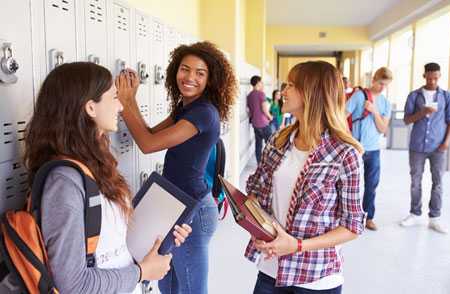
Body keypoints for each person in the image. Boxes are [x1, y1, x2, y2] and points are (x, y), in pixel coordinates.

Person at [23, 62, 191, 293]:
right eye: (114, 97)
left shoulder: (95, 164)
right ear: (91, 107)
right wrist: (142, 272)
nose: (121, 106)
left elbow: (111, 243)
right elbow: (73, 285)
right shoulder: (64, 182)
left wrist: (161, 237)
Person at [116, 41, 237, 294]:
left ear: (210, 79)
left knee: (192, 289)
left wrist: (126, 101)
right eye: (185, 69)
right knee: (168, 285)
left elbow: (148, 145)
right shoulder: (187, 108)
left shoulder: (203, 113)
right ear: (175, 71)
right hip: (175, 207)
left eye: (200, 73)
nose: (190, 77)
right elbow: (149, 133)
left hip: (193, 213)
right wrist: (130, 100)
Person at [245, 61, 365, 294]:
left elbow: (352, 226)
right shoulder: (278, 141)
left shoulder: (345, 155)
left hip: (315, 279)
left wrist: (297, 245)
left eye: (291, 85)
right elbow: (256, 194)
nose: (283, 91)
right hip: (271, 272)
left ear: (312, 93)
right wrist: (258, 229)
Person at [400, 62, 450, 234]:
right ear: (424, 76)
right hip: (417, 146)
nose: (432, 81)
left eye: (436, 78)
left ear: (439, 76)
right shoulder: (414, 96)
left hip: (438, 146)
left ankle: (435, 218)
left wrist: (446, 142)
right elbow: (407, 120)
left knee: (438, 182)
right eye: (429, 77)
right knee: (415, 181)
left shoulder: (447, 97)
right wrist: (422, 113)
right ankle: (415, 213)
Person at [346, 67, 393, 231]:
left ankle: (368, 217)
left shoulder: (386, 104)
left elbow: (382, 129)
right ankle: (347, 216)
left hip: (373, 150)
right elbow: (342, 114)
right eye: (380, 83)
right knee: (350, 184)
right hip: (356, 148)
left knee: (371, 185)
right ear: (374, 79)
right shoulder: (360, 96)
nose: (382, 87)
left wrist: (374, 111)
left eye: (386, 85)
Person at [247, 75, 273, 163]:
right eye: (261, 82)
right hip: (263, 123)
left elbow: (250, 111)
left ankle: (259, 164)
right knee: (271, 144)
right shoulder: (261, 94)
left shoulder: (249, 95)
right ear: (258, 82)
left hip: (255, 124)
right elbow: (264, 109)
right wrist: (270, 116)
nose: (262, 84)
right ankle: (269, 164)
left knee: (258, 145)